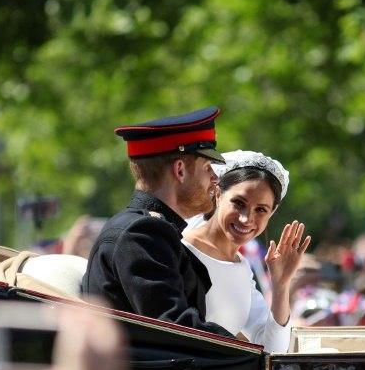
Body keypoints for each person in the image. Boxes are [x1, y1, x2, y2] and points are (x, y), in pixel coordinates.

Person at [82, 106, 232, 336]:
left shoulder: (147, 229)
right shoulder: (142, 234)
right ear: (180, 170)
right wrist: (251, 351)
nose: (215, 179)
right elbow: (176, 328)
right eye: (207, 168)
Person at [182, 150, 311, 352]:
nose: (246, 219)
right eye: (239, 203)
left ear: (272, 212)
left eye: (261, 210)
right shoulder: (181, 249)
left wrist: (281, 285)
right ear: (217, 193)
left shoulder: (242, 268)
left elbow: (272, 349)